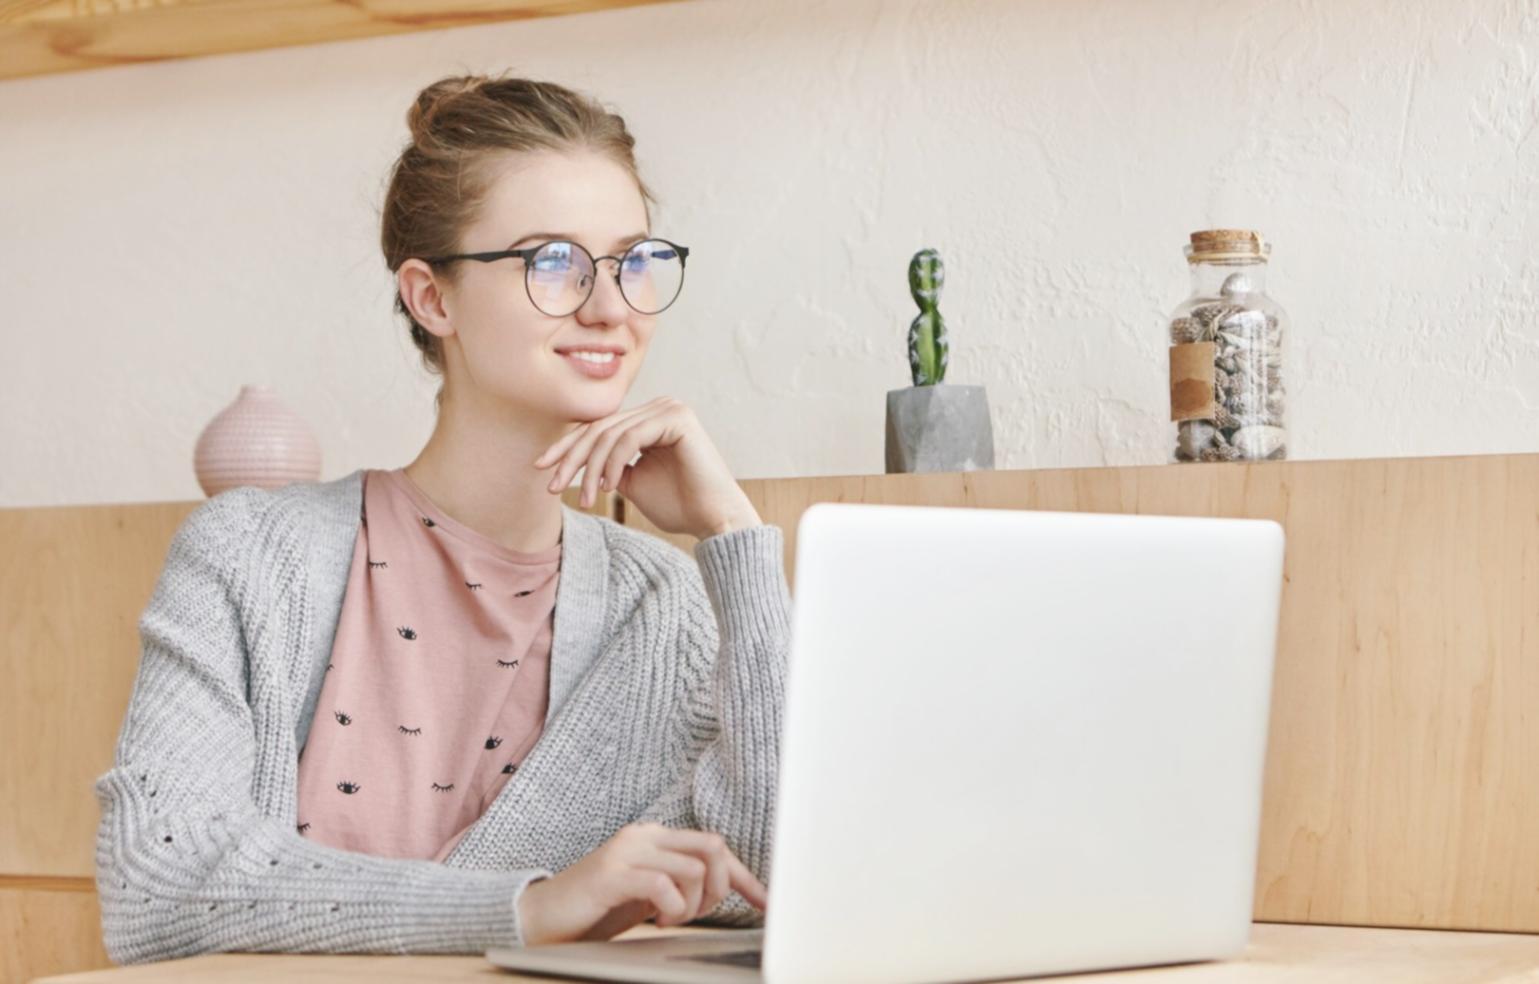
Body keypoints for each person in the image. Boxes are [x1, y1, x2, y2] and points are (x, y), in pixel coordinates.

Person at [92, 73, 791, 964]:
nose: (611, 307)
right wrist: (526, 907)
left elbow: (769, 872)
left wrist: (732, 536)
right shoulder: (249, 556)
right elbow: (158, 883)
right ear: (432, 298)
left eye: (631, 261)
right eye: (553, 263)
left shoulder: (659, 604)